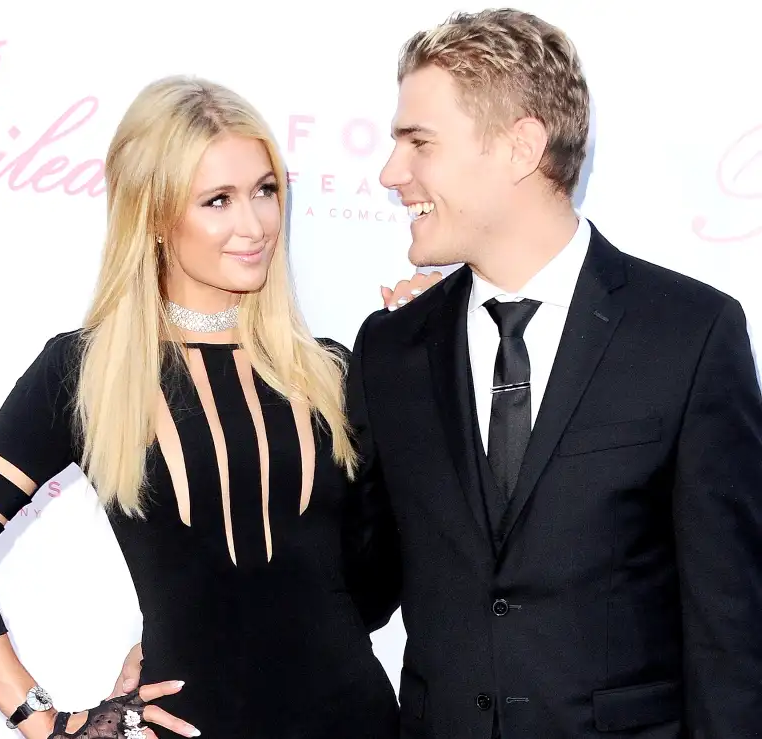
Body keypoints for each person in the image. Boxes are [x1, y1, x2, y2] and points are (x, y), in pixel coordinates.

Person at [105, 9, 762, 737]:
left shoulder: (690, 334)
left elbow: (730, 629)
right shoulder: (393, 351)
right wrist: (195, 634)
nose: (391, 174)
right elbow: (355, 585)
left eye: (418, 143)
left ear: (520, 147)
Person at [0, 75, 434, 739]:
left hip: (355, 720)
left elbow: (379, 583)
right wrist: (43, 720)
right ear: (154, 215)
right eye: (217, 200)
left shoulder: (330, 371)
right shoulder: (88, 372)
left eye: (265, 191)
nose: (255, 224)